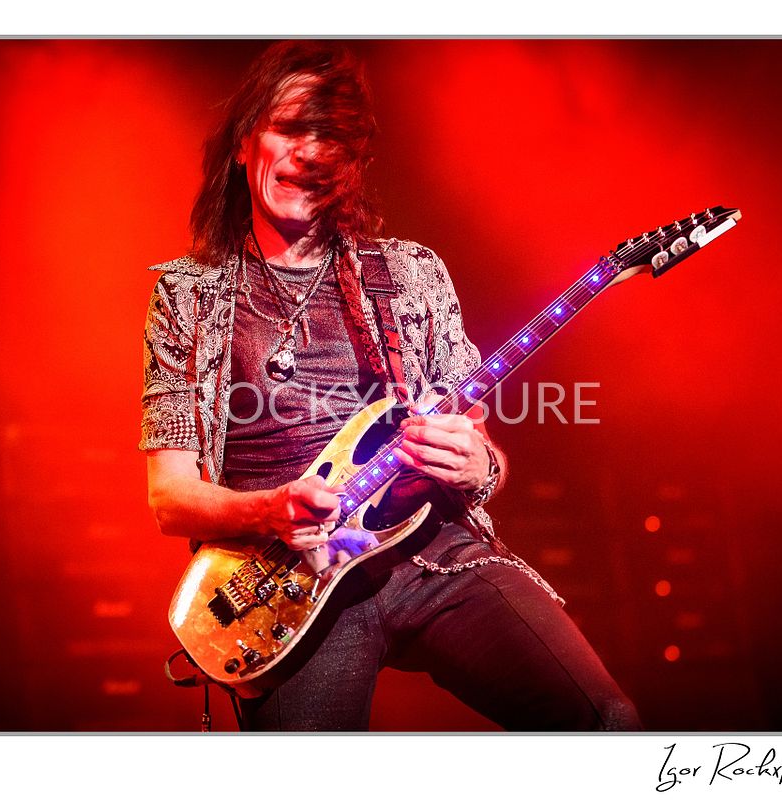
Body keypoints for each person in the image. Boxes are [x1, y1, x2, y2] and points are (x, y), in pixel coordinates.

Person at [141, 40, 641, 731]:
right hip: (284, 590)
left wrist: (478, 465)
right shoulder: (189, 295)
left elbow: (481, 452)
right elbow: (169, 498)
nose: (309, 155)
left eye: (331, 140)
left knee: (607, 722)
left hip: (432, 556)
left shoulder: (410, 273)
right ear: (242, 144)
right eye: (290, 129)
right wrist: (270, 510)